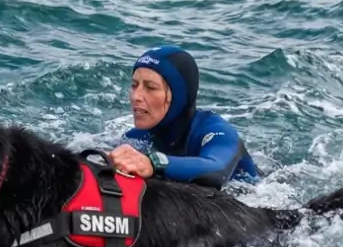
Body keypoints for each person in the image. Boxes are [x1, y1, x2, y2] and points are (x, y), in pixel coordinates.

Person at [108, 44, 259, 189]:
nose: (136, 96)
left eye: (151, 87)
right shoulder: (135, 138)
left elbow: (217, 169)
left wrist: (153, 163)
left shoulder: (217, 132)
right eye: (134, 85)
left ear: (179, 97)